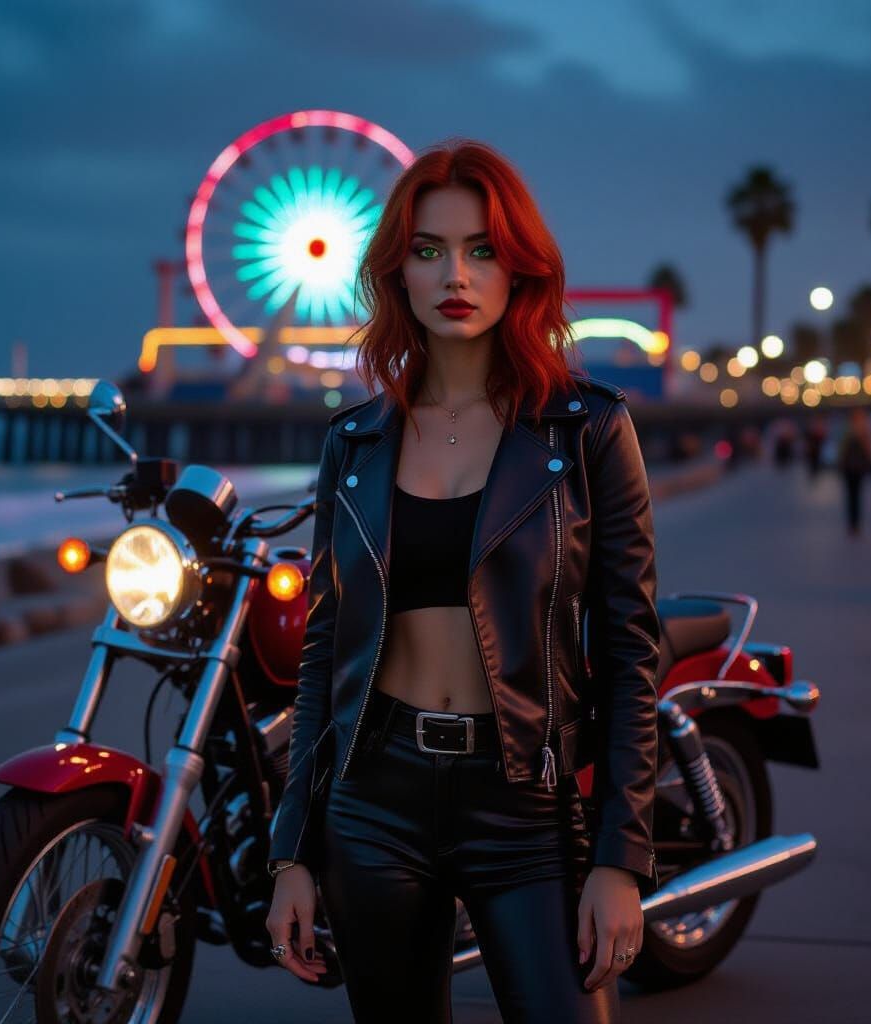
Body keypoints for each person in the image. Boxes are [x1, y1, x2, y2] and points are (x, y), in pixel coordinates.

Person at [265, 140, 660, 1023]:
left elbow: (631, 651)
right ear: (396, 272)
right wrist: (294, 850)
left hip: (526, 804)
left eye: (482, 249)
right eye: (429, 250)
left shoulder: (589, 432)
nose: (456, 274)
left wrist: (619, 858)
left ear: (519, 268)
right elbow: (325, 653)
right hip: (374, 803)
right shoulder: (354, 444)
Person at [836, 407, 871, 535]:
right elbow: (842, 450)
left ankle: (855, 524)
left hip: (858, 468)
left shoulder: (864, 431)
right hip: (849, 468)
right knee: (851, 496)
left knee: (856, 496)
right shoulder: (848, 431)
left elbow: (869, 450)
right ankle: (852, 524)